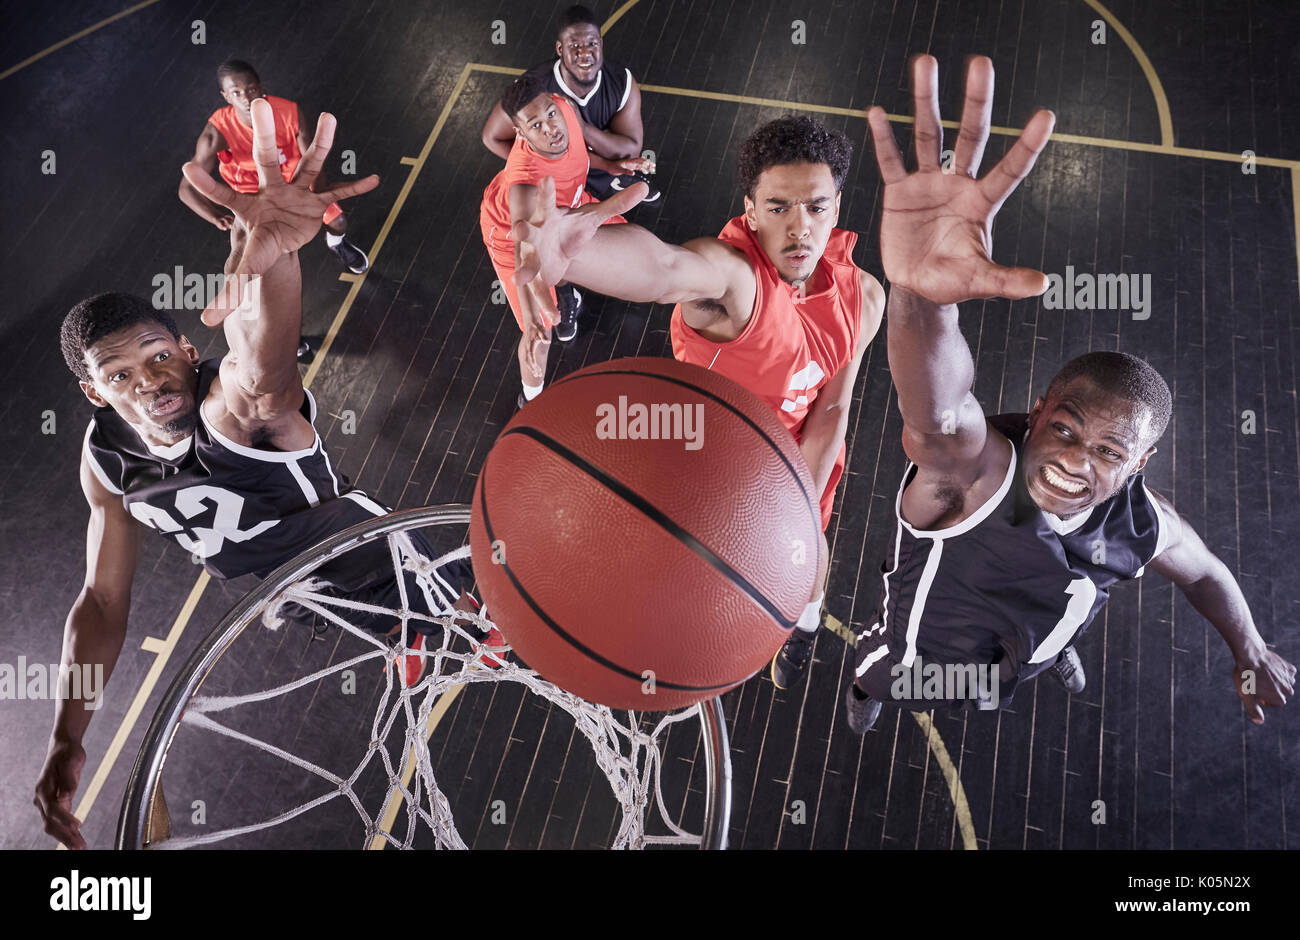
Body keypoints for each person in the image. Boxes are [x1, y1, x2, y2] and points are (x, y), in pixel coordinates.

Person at [34, 100, 484, 850]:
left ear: (183, 345)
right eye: (119, 374)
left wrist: (273, 255)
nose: (148, 381)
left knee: (528, 636)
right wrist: (65, 738)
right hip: (299, 594)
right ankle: (404, 638)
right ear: (94, 392)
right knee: (371, 631)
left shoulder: (234, 409)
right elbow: (103, 601)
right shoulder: (105, 460)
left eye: (156, 355)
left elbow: (260, 355)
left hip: (394, 564)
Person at [842, 54, 1295, 733]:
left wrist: (1251, 647)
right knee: (887, 678)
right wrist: (918, 296)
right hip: (925, 651)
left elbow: (1206, 575)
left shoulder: (1147, 523)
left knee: (1053, 627)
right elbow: (934, 412)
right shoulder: (972, 472)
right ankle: (869, 696)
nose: (1077, 458)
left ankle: (1048, 652)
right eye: (1067, 429)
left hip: (1026, 641)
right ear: (1039, 412)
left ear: (1139, 465)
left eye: (1110, 449)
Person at [507, 115, 885, 692]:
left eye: (816, 207)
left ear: (837, 205)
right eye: (778, 208)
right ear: (751, 209)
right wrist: (576, 258)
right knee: (680, 602)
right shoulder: (735, 280)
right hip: (704, 466)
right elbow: (666, 269)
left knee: (811, 570)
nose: (799, 229)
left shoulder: (866, 296)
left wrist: (794, 509)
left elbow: (834, 406)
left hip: (793, 466)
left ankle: (804, 628)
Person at [180, 59, 369, 357]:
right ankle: (282, 336)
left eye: (251, 89)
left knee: (340, 222)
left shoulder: (289, 112)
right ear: (225, 96)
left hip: (294, 190)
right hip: (252, 204)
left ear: (261, 87)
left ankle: (337, 245)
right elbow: (186, 189)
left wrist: (317, 197)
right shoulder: (217, 131)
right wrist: (215, 215)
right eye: (236, 92)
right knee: (250, 273)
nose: (245, 97)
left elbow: (312, 156)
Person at [480, 73, 651, 397]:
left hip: (569, 206)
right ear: (521, 133)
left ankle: (566, 289)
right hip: (509, 235)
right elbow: (525, 255)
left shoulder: (564, 107)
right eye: (536, 125)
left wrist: (612, 166)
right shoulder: (525, 187)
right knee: (542, 333)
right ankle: (530, 398)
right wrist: (532, 320)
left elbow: (578, 149)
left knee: (630, 240)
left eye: (550, 115)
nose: (551, 128)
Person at [480, 5, 660, 206]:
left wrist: (581, 126)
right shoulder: (533, 90)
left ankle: (617, 179)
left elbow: (630, 149)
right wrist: (538, 167)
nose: (584, 53)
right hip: (561, 172)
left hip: (600, 163)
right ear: (560, 49)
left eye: (591, 43)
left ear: (600, 43)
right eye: (574, 46)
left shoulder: (622, 81)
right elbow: (491, 137)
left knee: (630, 167)